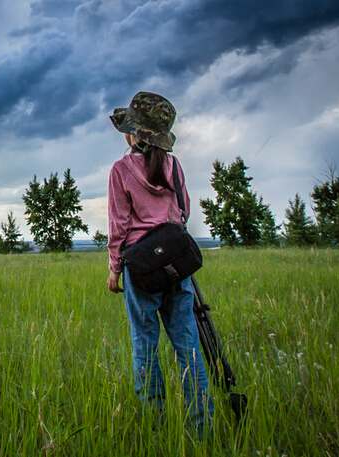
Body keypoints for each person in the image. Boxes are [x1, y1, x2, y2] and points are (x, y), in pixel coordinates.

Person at [105, 92, 214, 432]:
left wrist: (114, 268)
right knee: (189, 348)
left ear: (135, 134)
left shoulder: (121, 170)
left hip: (141, 271)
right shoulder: (174, 165)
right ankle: (202, 428)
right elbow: (183, 212)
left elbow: (119, 225)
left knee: (145, 347)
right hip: (177, 267)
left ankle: (156, 428)